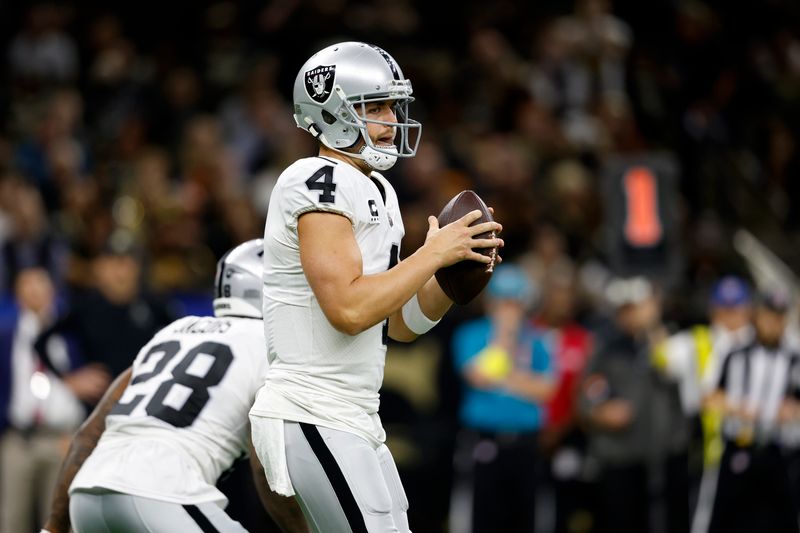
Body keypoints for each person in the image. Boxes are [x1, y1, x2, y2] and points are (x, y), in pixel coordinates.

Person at [248, 41, 503, 533]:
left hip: (356, 416)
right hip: (313, 408)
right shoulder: (315, 178)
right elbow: (347, 309)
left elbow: (399, 325)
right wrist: (432, 254)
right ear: (333, 110)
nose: (391, 118)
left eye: (392, 105)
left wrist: (449, 277)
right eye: (377, 106)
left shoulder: (378, 190)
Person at [40, 239, 307, 533]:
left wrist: (53, 526)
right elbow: (264, 462)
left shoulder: (174, 331)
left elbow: (88, 435)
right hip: (163, 492)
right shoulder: (269, 348)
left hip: (87, 495)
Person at [0, 267, 108, 533]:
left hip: (63, 439)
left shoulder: (73, 333)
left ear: (53, 291)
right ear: (17, 293)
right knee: (11, 518)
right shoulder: (6, 336)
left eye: (40, 283)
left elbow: (95, 379)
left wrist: (81, 431)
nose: (34, 290)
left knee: (58, 520)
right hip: (18, 439)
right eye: (27, 284)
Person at [578, 276, 689, 533]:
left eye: (637, 308)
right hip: (619, 456)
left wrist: (653, 326)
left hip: (662, 458)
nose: (632, 315)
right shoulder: (606, 347)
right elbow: (587, 394)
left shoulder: (669, 343)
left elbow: (675, 375)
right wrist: (600, 411)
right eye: (626, 309)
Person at [450, 263, 554, 533]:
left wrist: (505, 377)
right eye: (503, 302)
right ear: (490, 303)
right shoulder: (470, 334)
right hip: (485, 439)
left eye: (515, 302)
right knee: (484, 516)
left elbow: (546, 390)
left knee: (526, 517)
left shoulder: (538, 338)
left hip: (527, 442)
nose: (510, 309)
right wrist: (503, 339)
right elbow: (479, 377)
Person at [705, 288, 800, 533]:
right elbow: (710, 397)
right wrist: (740, 409)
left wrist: (793, 411)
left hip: (780, 452)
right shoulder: (734, 353)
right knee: (729, 519)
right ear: (757, 316)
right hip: (740, 445)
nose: (772, 324)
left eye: (778, 318)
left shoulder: (794, 358)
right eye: (768, 316)